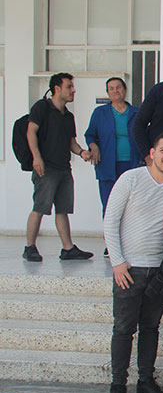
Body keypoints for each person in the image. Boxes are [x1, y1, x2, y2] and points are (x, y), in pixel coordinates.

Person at [103, 132, 163, 393]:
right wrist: (117, 262)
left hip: (159, 271)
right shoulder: (130, 179)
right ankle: (118, 384)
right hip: (128, 268)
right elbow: (110, 221)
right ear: (152, 153)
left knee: (150, 327)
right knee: (123, 329)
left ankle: (146, 380)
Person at [24, 72, 94, 263]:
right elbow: (31, 132)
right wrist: (37, 157)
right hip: (46, 167)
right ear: (57, 88)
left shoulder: (68, 116)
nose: (73, 90)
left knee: (62, 209)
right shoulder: (42, 107)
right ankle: (29, 247)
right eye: (69, 87)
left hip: (64, 168)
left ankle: (68, 248)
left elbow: (72, 142)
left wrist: (82, 152)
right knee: (40, 207)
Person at [84, 77, 141, 220]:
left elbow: (144, 136)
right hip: (108, 166)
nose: (115, 91)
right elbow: (90, 135)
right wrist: (94, 147)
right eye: (111, 88)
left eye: (118, 87)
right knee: (110, 205)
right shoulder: (100, 113)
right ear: (108, 92)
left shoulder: (137, 112)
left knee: (132, 206)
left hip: (132, 165)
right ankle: (110, 234)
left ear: (125, 90)